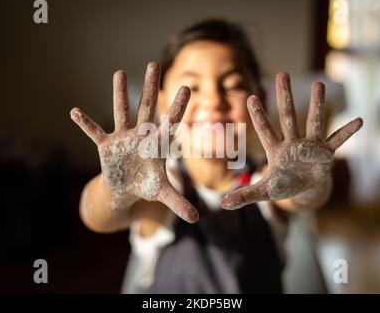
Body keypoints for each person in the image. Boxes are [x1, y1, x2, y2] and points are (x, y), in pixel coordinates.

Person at [70, 19, 363, 293]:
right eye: (192, 88)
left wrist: (310, 183)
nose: (213, 100)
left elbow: (303, 197)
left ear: (259, 99)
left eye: (233, 85)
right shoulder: (157, 187)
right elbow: (98, 217)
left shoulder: (270, 181)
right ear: (161, 106)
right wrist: (115, 189)